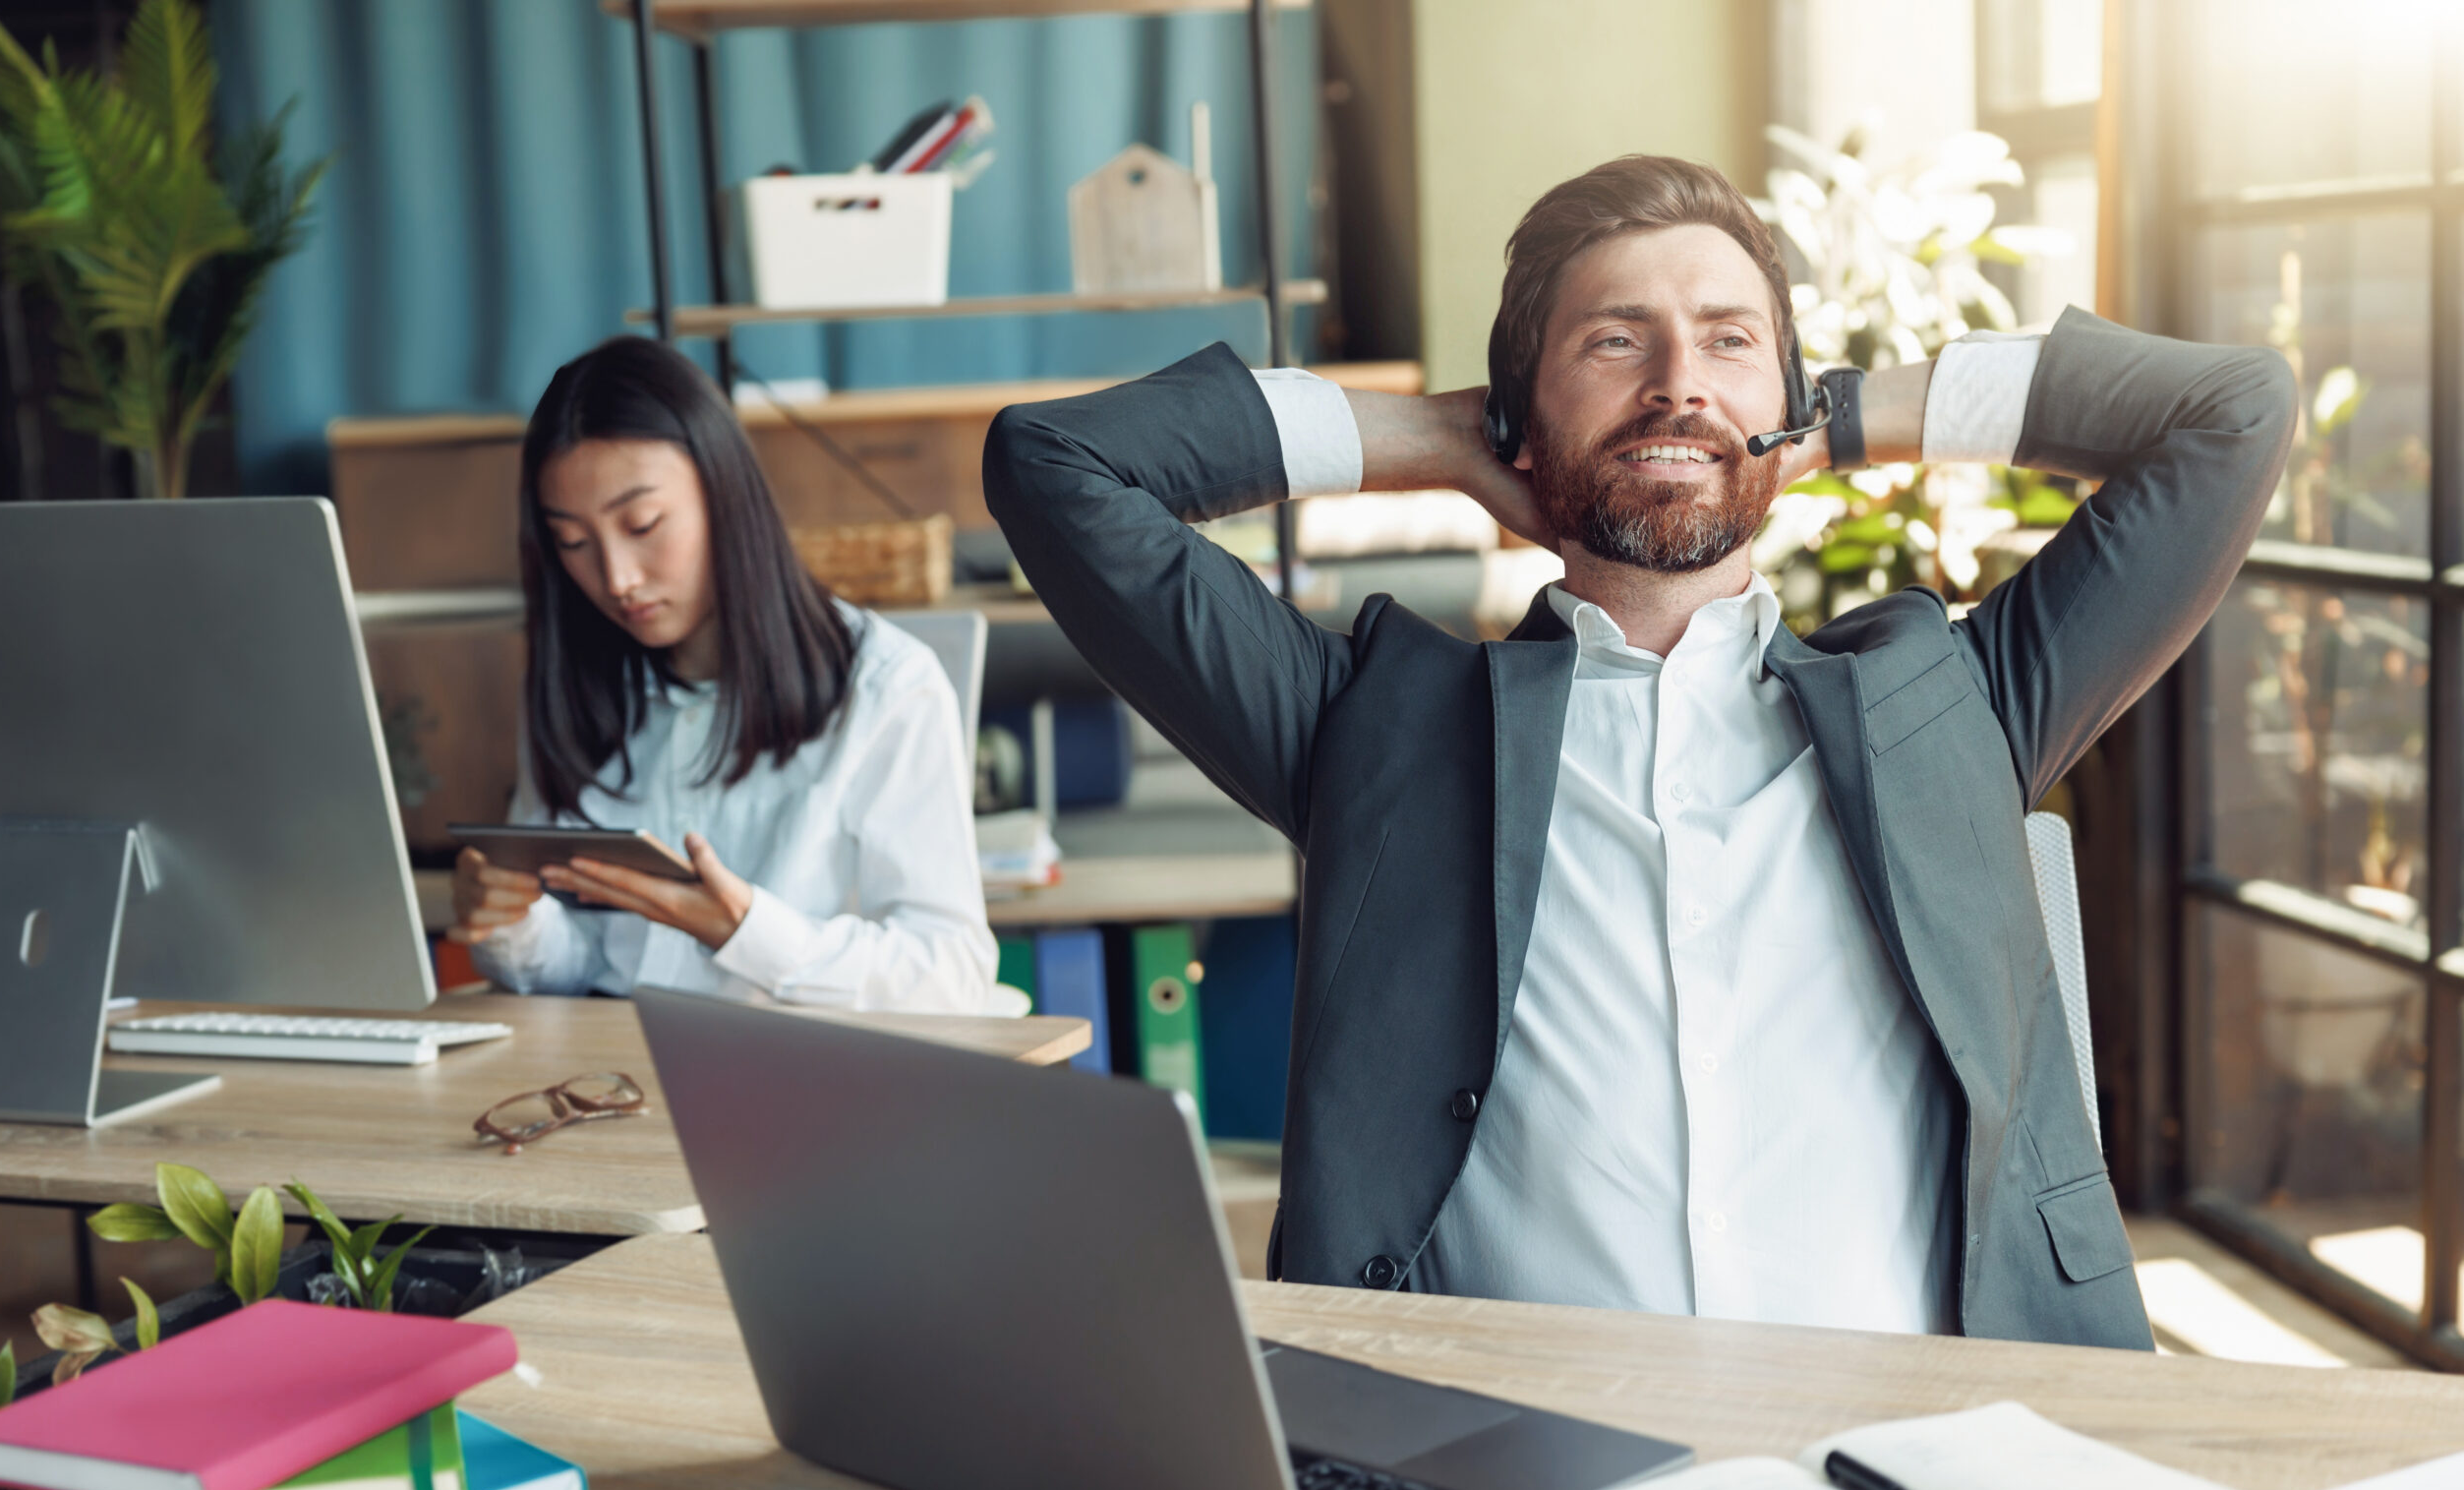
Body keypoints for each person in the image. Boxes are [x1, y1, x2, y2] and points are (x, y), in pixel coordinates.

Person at [983, 154, 2294, 1347]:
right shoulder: (1370, 731)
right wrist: (1437, 438)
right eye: (1616, 341)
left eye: (1729, 342)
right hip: (1518, 1469)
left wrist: (1836, 414)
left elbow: (2232, 414)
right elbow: (1055, 463)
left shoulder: (1956, 697)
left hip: (1929, 1452)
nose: (1679, 379)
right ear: (1521, 410)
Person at [452, 334, 995, 1014]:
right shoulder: (574, 687)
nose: (617, 578)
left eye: (643, 524)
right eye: (574, 543)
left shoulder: (886, 685)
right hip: (615, 1084)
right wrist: (514, 919)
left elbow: (952, 972)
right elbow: (591, 966)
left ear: (724, 491)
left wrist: (747, 931)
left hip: (806, 1085)